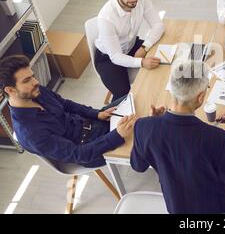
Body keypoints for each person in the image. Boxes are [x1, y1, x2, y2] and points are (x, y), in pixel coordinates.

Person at [130, 60, 225, 214]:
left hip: (177, 207)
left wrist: (153, 123)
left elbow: (138, 166)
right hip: (219, 207)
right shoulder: (218, 138)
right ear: (200, 97)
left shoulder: (142, 126)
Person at [0, 55, 136, 168]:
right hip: (90, 149)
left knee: (133, 97)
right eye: (27, 80)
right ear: (10, 90)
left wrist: (96, 113)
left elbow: (66, 104)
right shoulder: (31, 133)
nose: (36, 82)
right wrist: (117, 135)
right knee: (144, 135)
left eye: (33, 76)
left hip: (92, 123)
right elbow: (79, 154)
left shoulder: (35, 91)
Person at [94, 0, 165, 101]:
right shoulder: (106, 17)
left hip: (131, 45)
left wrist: (144, 48)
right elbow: (116, 56)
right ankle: (112, 117)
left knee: (162, 59)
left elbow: (158, 25)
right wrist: (141, 62)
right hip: (108, 58)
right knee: (124, 96)